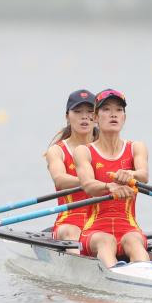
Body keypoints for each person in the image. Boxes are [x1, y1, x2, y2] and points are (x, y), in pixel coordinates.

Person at [74, 89, 150, 268]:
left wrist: (130, 174)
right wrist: (110, 187)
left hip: (130, 228)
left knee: (134, 242)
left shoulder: (136, 147)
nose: (113, 114)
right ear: (95, 118)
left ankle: (146, 274)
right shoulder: (84, 151)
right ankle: (114, 274)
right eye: (106, 109)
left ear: (124, 117)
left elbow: (144, 175)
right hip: (95, 231)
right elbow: (88, 185)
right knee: (106, 241)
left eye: (119, 110)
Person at [45, 89, 97, 251]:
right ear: (67, 116)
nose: (84, 116)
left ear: (96, 117)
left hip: (101, 220)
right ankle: (79, 266)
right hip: (70, 221)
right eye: (78, 111)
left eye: (90, 112)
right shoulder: (57, 151)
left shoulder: (108, 148)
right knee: (72, 231)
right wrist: (92, 183)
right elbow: (60, 180)